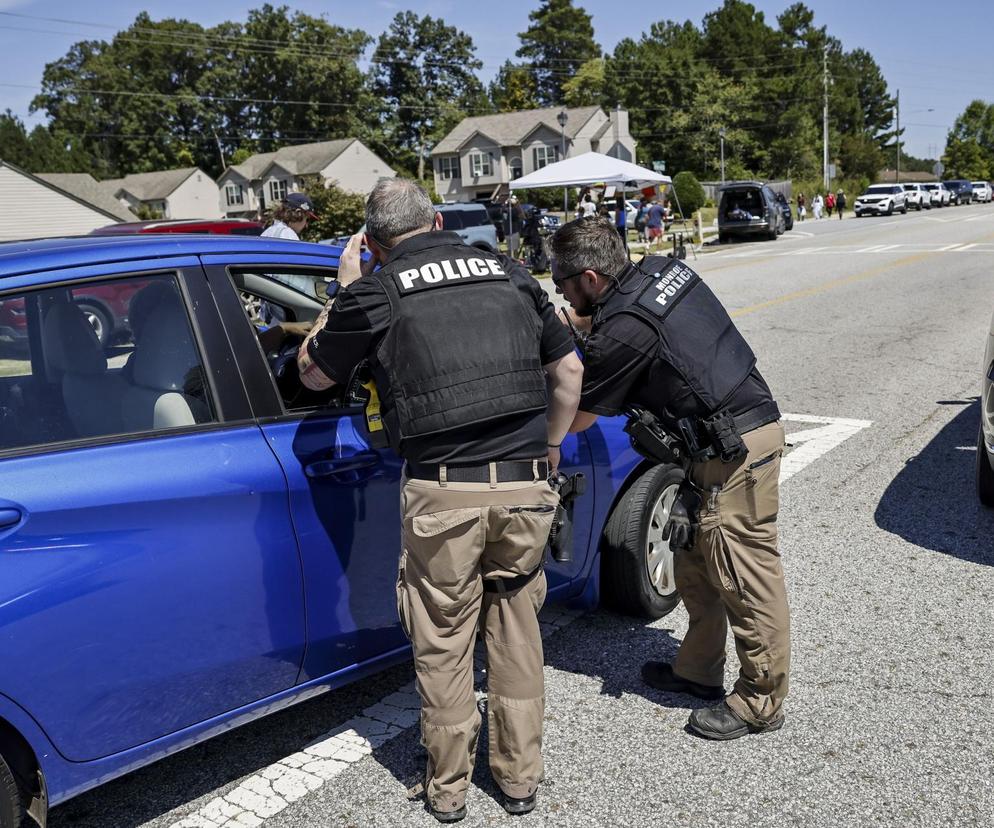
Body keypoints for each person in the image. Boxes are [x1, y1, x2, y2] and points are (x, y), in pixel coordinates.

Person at [297, 178, 583, 822]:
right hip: (525, 483)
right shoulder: (509, 273)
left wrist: (343, 292)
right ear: (437, 222)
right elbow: (568, 372)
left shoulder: (374, 292)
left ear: (371, 242)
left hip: (443, 491)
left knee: (444, 639)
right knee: (515, 630)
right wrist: (553, 446)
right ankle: (518, 781)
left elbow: (313, 374)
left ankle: (448, 791)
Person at [549, 216, 790, 742]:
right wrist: (582, 327)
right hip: (717, 442)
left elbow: (580, 416)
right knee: (696, 561)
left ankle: (760, 700)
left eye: (563, 283)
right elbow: (647, 333)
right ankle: (698, 672)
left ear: (589, 279)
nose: (562, 293)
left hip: (738, 450)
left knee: (745, 576)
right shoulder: (659, 271)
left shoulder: (623, 331)